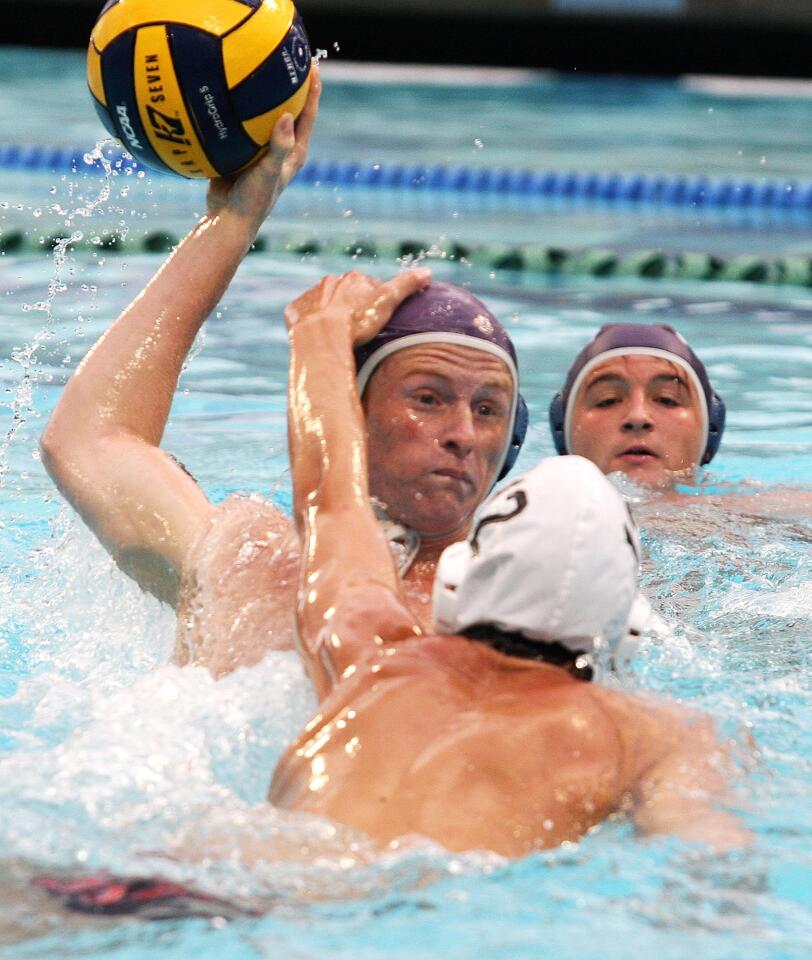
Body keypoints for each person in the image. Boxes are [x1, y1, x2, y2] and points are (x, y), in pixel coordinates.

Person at [39, 66, 527, 677]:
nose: (462, 432)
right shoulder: (256, 564)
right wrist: (234, 221)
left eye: (488, 410)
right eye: (428, 398)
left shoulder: (523, 618)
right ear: (346, 411)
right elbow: (87, 440)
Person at [268, 268, 750, 857]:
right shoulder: (650, 736)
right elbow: (712, 868)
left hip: (209, 883)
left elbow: (328, 499)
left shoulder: (368, 649)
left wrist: (318, 329)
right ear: (630, 631)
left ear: (457, 579)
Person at [548, 323, 726, 489]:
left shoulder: (750, 511)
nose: (637, 417)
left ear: (710, 430)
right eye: (607, 400)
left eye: (667, 399)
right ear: (562, 430)